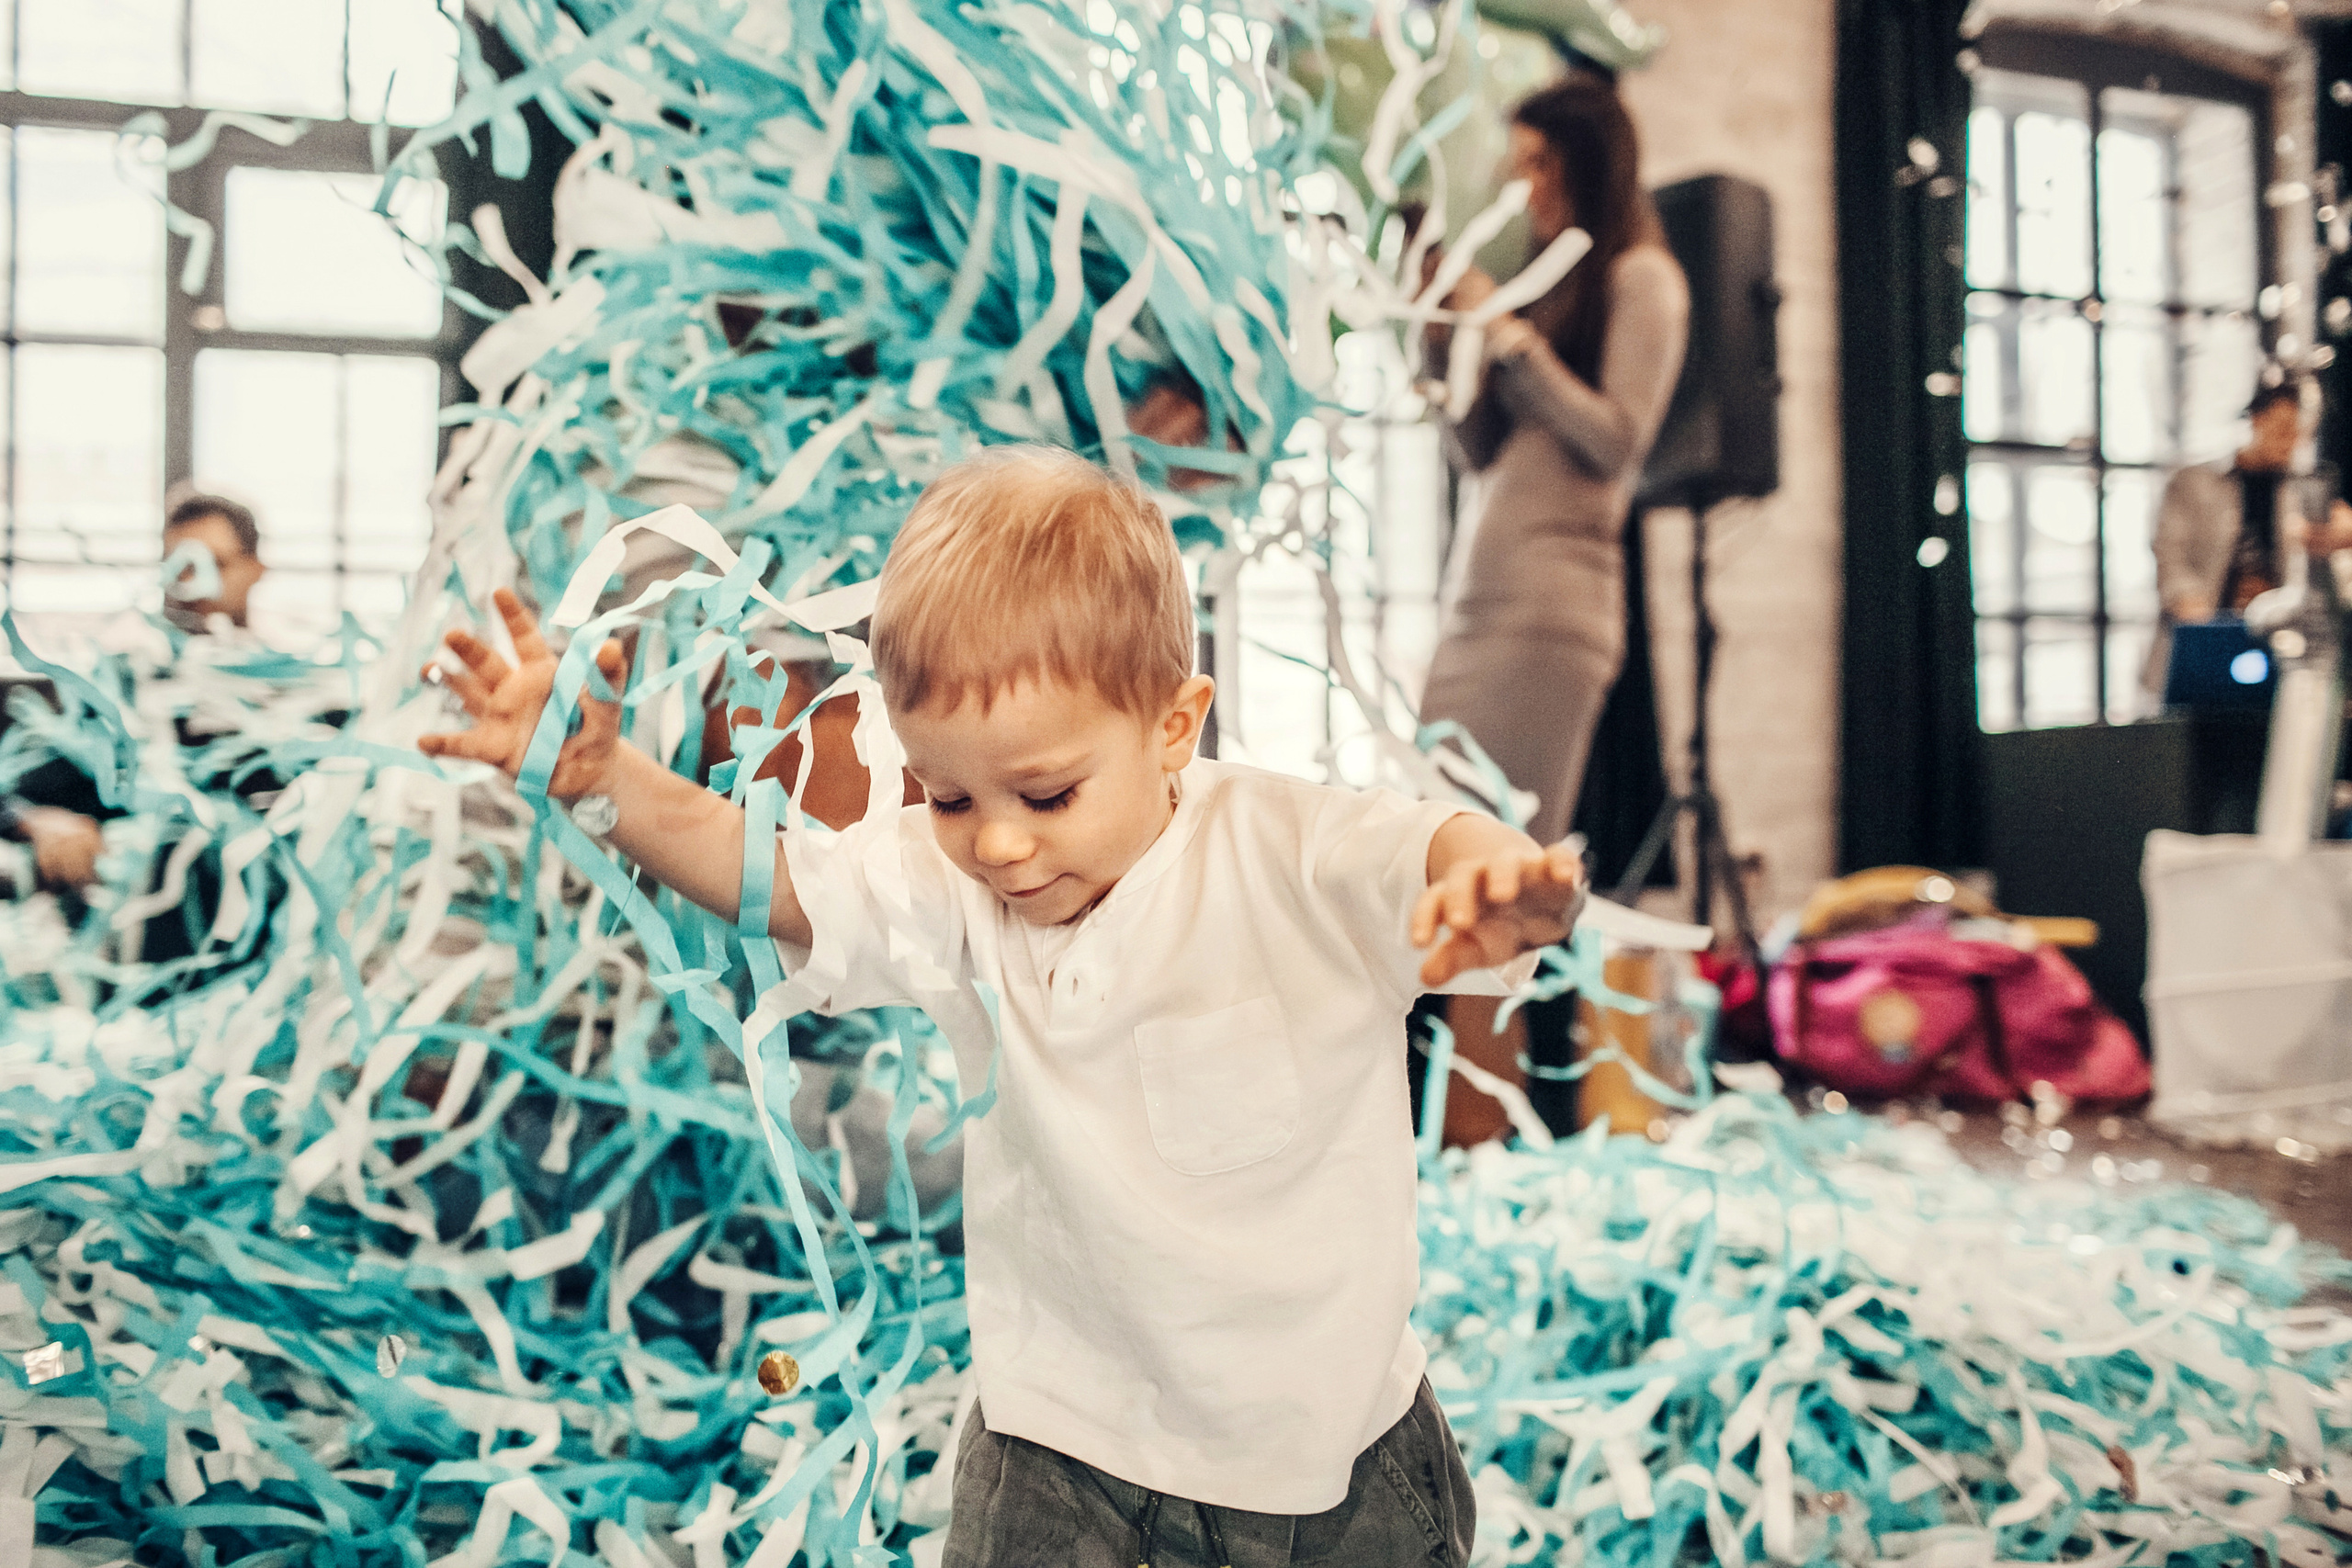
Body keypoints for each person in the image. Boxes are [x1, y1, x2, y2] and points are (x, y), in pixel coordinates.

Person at [419, 446, 1588, 1567]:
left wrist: (1493, 882)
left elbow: (1424, 847)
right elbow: (781, 878)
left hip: (1324, 1457)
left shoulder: (1285, 854)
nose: (1001, 843)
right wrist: (603, 782)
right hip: (1057, 1440)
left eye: (1047, 791)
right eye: (948, 795)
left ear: (1173, 725)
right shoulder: (958, 882)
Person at [1415, 73, 1688, 1143]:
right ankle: (1454, 1126)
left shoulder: (1645, 278)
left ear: (1587, 163)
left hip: (1550, 618)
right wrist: (1445, 337)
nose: (1523, 185)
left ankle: (1483, 1135)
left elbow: (1618, 442)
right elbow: (1483, 451)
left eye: (1537, 163)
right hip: (1480, 608)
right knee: (1437, 860)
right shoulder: (1551, 289)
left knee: (1498, 876)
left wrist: (1507, 334)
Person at [1, 492, 267, 898]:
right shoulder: (124, 687)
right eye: (181, 566)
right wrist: (38, 821)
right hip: (150, 931)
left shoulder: (302, 698)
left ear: (255, 569)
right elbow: (20, 791)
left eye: (217, 564)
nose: (194, 584)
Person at [2144, 379, 2307, 696]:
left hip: (2275, 643)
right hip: (2204, 639)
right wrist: (2193, 609)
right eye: (2284, 428)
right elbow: (2169, 553)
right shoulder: (2195, 481)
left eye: (2300, 433)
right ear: (2258, 419)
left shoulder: (2298, 494)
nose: (2291, 442)